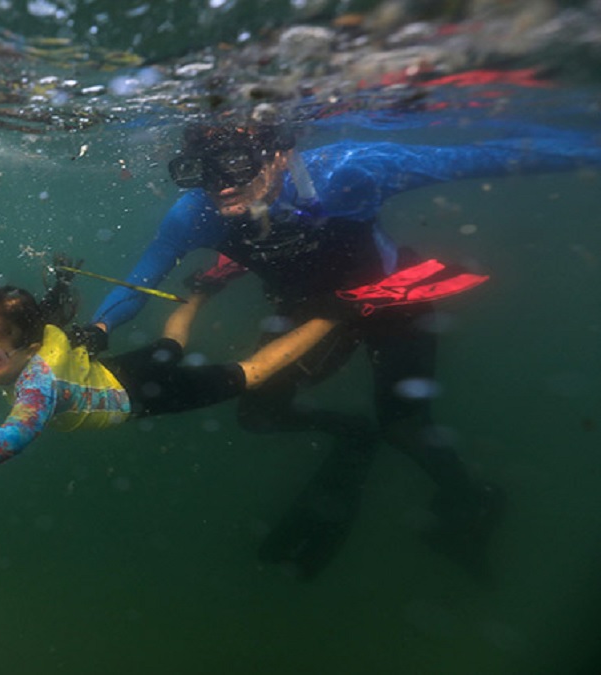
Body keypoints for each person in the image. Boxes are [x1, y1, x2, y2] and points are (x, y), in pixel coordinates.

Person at [77, 114, 601, 578]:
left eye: (234, 163)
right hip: (311, 314)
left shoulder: (352, 171)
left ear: (280, 154)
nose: (221, 186)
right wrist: (98, 330)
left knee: (404, 425)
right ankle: (351, 434)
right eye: (200, 171)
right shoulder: (194, 213)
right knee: (259, 414)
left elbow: (485, 159)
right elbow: (138, 281)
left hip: (393, 303)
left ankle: (472, 501)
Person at [0, 274, 340, 513]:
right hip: (114, 372)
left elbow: (19, 430)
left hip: (140, 396)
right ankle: (204, 288)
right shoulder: (41, 333)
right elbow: (45, 319)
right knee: (171, 345)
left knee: (252, 374)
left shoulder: (38, 384)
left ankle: (337, 314)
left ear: (28, 350)